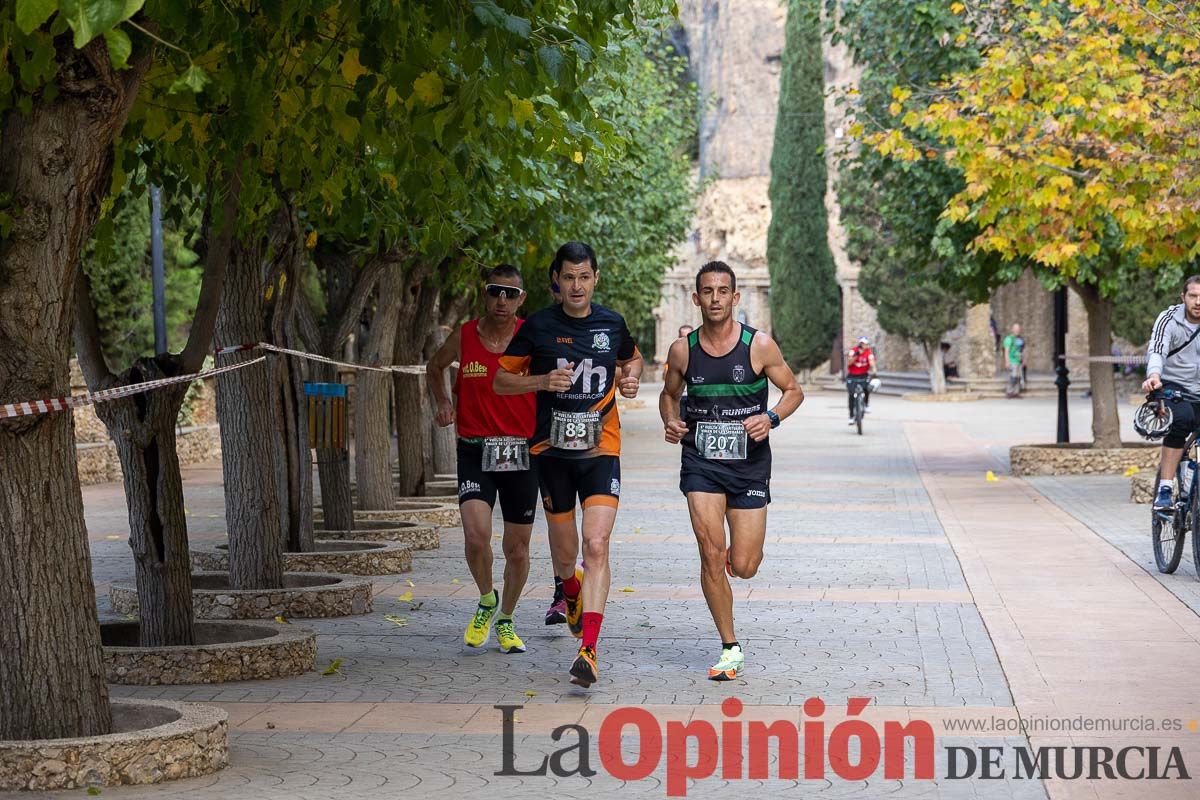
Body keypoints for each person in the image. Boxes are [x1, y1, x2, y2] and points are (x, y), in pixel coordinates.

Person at [494, 241, 644, 687]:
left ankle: (589, 650)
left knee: (595, 546)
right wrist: (542, 380)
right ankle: (570, 592)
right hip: (552, 453)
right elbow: (501, 380)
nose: (576, 285)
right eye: (568, 277)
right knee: (565, 558)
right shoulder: (537, 326)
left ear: (596, 278)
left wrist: (633, 377)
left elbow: (632, 358)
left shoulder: (611, 323)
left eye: (584, 276)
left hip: (601, 449)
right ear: (555, 282)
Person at [660, 262, 803, 680]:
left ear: (735, 297)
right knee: (709, 550)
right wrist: (669, 420)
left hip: (749, 466)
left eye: (724, 291)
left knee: (743, 564)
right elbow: (669, 396)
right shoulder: (683, 350)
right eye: (708, 291)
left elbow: (793, 391)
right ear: (696, 298)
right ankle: (729, 646)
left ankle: (725, 569)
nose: (716, 298)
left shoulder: (758, 346)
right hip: (701, 463)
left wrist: (771, 418)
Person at [428, 265, 539, 654]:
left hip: (520, 452)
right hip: (475, 448)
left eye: (511, 294)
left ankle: (505, 617)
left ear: (521, 299)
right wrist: (443, 400)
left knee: (518, 549)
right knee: (476, 537)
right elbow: (434, 367)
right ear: (485, 295)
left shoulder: (531, 337)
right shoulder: (463, 336)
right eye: (495, 292)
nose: (502, 300)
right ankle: (485, 598)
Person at [1143, 275, 1200, 514]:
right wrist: (1154, 375)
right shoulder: (1169, 319)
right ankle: (1165, 488)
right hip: (1173, 385)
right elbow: (1157, 349)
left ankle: (1190, 474)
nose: (1198, 302)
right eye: (1193, 296)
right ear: (1183, 297)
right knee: (1182, 420)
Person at [845, 336, 876, 424]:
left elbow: (872, 363)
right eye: (864, 344)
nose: (866, 346)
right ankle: (851, 416)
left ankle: (866, 404)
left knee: (867, 389)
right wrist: (857, 354)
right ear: (860, 344)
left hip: (863, 375)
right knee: (851, 395)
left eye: (867, 344)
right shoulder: (853, 351)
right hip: (852, 375)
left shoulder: (868, 352)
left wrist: (874, 372)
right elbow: (849, 363)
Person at [1003, 324, 1026, 398]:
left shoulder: (1021, 339)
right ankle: (1009, 392)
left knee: (1019, 377)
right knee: (1013, 376)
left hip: (1019, 361)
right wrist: (1007, 361)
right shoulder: (1009, 339)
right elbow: (1006, 351)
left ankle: (1016, 392)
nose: (1017, 331)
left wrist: (1024, 360)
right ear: (1012, 329)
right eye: (1016, 329)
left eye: (1018, 329)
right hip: (1012, 361)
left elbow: (1023, 350)